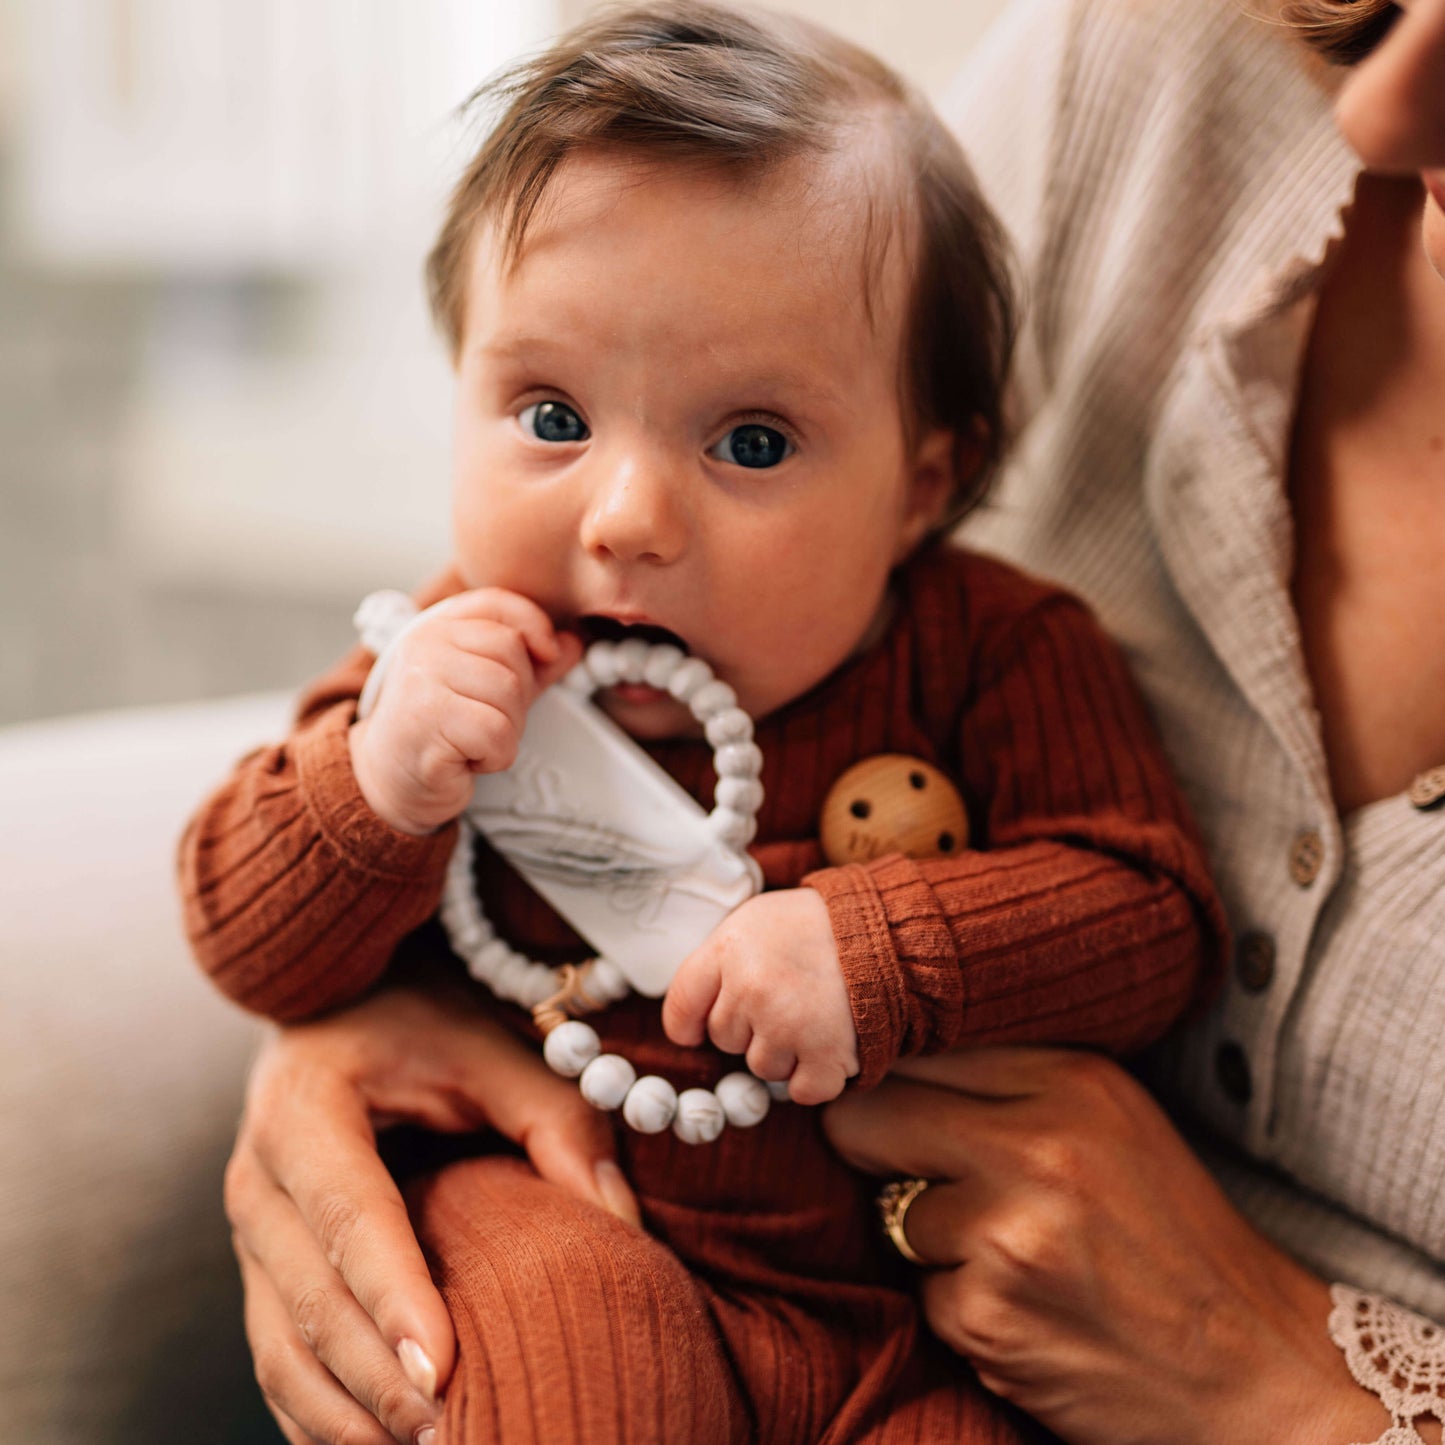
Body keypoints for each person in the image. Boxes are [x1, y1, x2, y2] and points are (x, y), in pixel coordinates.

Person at [181, 4, 1229, 1442]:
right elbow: (245, 940)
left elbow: (1154, 921)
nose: (625, 521)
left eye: (749, 442)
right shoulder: (451, 655)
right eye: (550, 414)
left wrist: (881, 951)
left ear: (922, 484)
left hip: (906, 1300)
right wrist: (374, 784)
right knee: (579, 1368)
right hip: (563, 1204)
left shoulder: (991, 650)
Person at [817, 0, 1445, 1442]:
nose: (1381, 115)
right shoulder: (1158, 63)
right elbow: (647, 483)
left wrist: (1279, 1376)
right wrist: (401, 965)